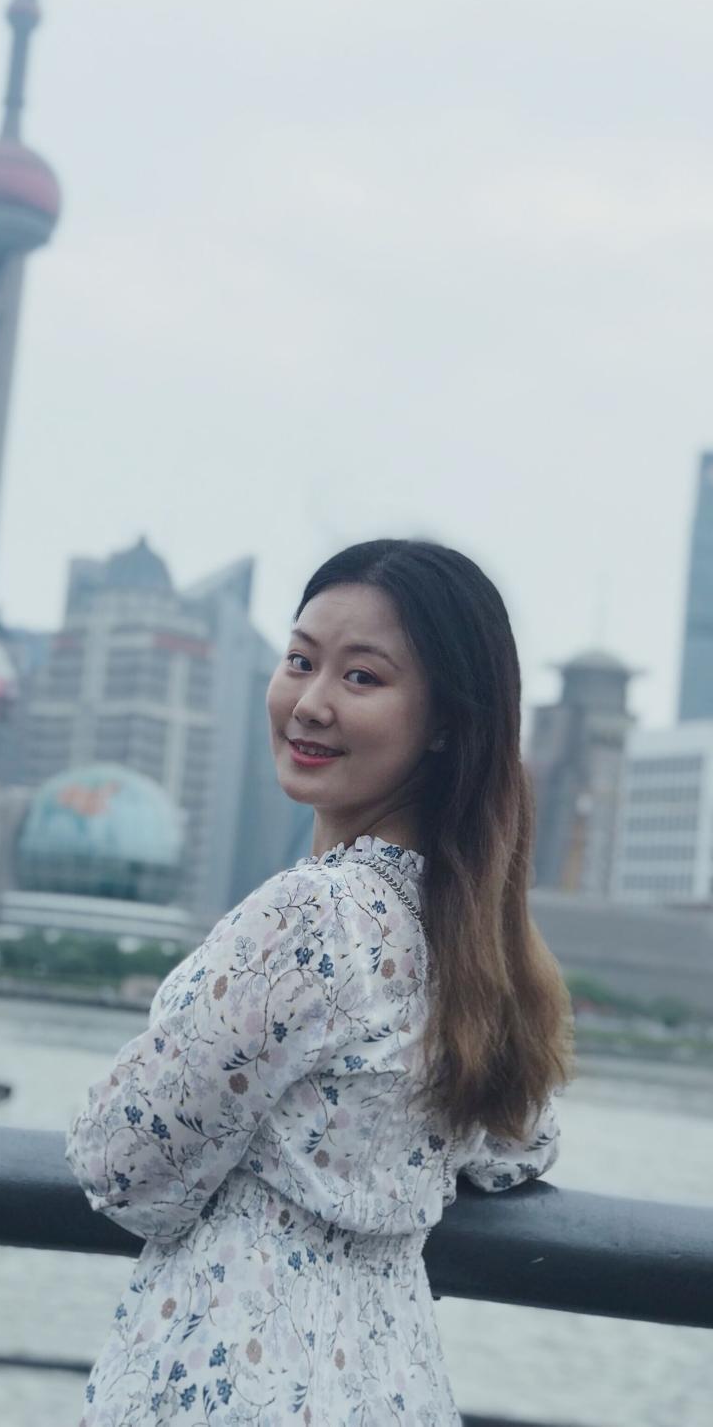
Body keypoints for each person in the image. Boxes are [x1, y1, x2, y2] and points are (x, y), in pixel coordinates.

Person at [66, 538, 574, 1426]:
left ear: (446, 722)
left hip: (232, 1387)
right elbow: (518, 1148)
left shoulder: (311, 917)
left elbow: (124, 1166)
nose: (309, 702)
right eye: (300, 660)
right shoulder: (467, 939)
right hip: (392, 1389)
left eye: (361, 677)